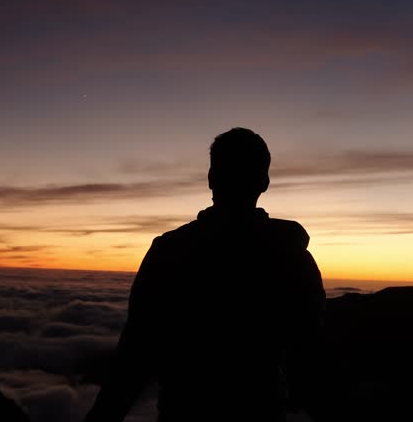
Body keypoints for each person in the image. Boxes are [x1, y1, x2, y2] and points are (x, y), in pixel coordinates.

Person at [86, 127, 327, 422]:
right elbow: (310, 358)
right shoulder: (293, 258)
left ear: (212, 178)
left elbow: (135, 354)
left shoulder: (169, 252)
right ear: (264, 182)